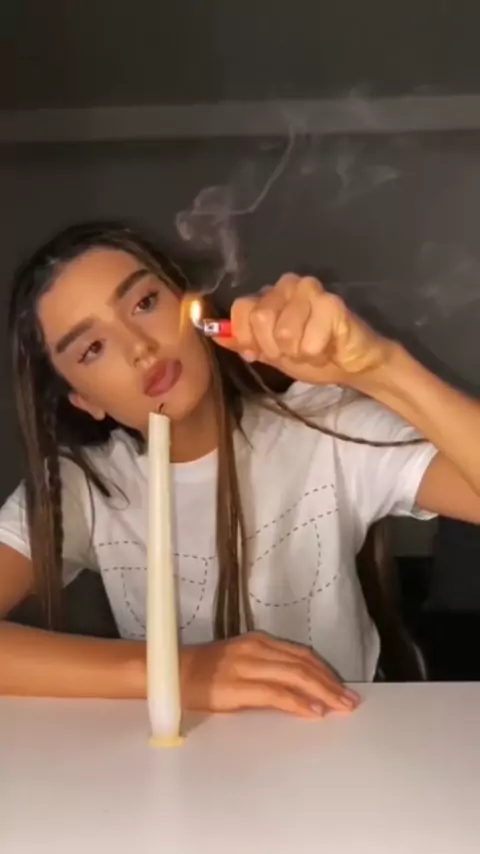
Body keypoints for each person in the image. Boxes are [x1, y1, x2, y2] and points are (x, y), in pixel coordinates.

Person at [1, 221, 480, 718]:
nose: (139, 346)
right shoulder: (83, 487)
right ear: (84, 400)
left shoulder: (323, 425)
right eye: (92, 348)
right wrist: (175, 672)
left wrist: (380, 369)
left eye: (144, 303)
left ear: (189, 301)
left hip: (342, 743)